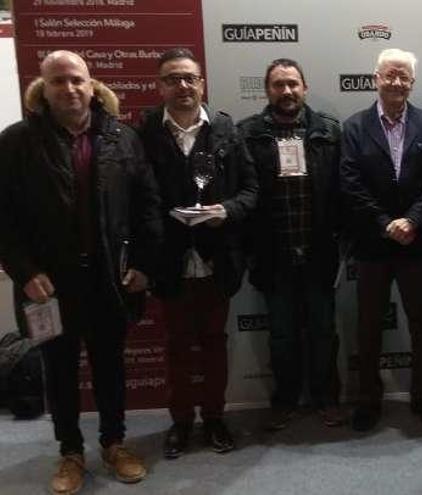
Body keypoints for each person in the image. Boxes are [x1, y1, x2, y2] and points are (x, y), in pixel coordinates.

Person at [0, 50, 162, 493]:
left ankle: (114, 443)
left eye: (76, 80)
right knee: (60, 369)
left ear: (92, 85)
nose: (68, 89)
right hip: (48, 286)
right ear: (43, 89)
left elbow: (148, 208)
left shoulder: (123, 138)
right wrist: (24, 271)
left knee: (110, 366)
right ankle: (70, 451)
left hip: (110, 280)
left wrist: (145, 265)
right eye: (58, 81)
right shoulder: (16, 142)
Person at [138, 48, 257, 458]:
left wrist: (226, 210)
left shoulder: (225, 128)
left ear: (201, 82)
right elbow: (137, 199)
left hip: (216, 258)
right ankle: (181, 422)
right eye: (172, 79)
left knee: (212, 344)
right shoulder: (145, 131)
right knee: (176, 346)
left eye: (189, 78)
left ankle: (215, 418)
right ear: (160, 86)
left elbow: (251, 191)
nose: (183, 86)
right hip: (169, 260)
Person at [340, 48, 422, 432]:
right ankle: (369, 400)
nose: (397, 82)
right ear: (376, 78)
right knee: (369, 324)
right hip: (373, 244)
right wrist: (386, 223)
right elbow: (350, 184)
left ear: (413, 82)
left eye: (404, 76)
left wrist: (413, 220)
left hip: (417, 242)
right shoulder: (353, 127)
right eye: (390, 74)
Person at [238, 58, 345, 431]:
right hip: (273, 254)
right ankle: (284, 400)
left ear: (305, 88)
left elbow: (342, 195)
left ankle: (326, 397)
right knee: (282, 334)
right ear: (267, 90)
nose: (286, 91)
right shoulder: (246, 134)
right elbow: (243, 196)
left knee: (323, 331)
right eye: (278, 85)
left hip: (318, 252)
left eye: (293, 84)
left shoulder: (329, 132)